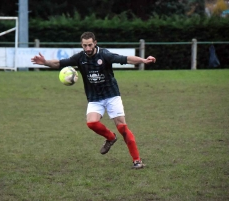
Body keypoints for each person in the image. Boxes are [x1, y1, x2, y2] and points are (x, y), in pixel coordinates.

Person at [31, 32, 156, 169]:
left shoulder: (105, 55)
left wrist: (143, 60)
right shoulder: (80, 58)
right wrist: (45, 62)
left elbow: (126, 59)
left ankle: (137, 161)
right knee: (91, 123)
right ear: (82, 45)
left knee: (122, 128)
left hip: (111, 95)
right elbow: (60, 63)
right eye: (85, 45)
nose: (88, 48)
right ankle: (110, 137)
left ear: (95, 43)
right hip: (95, 98)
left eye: (90, 45)